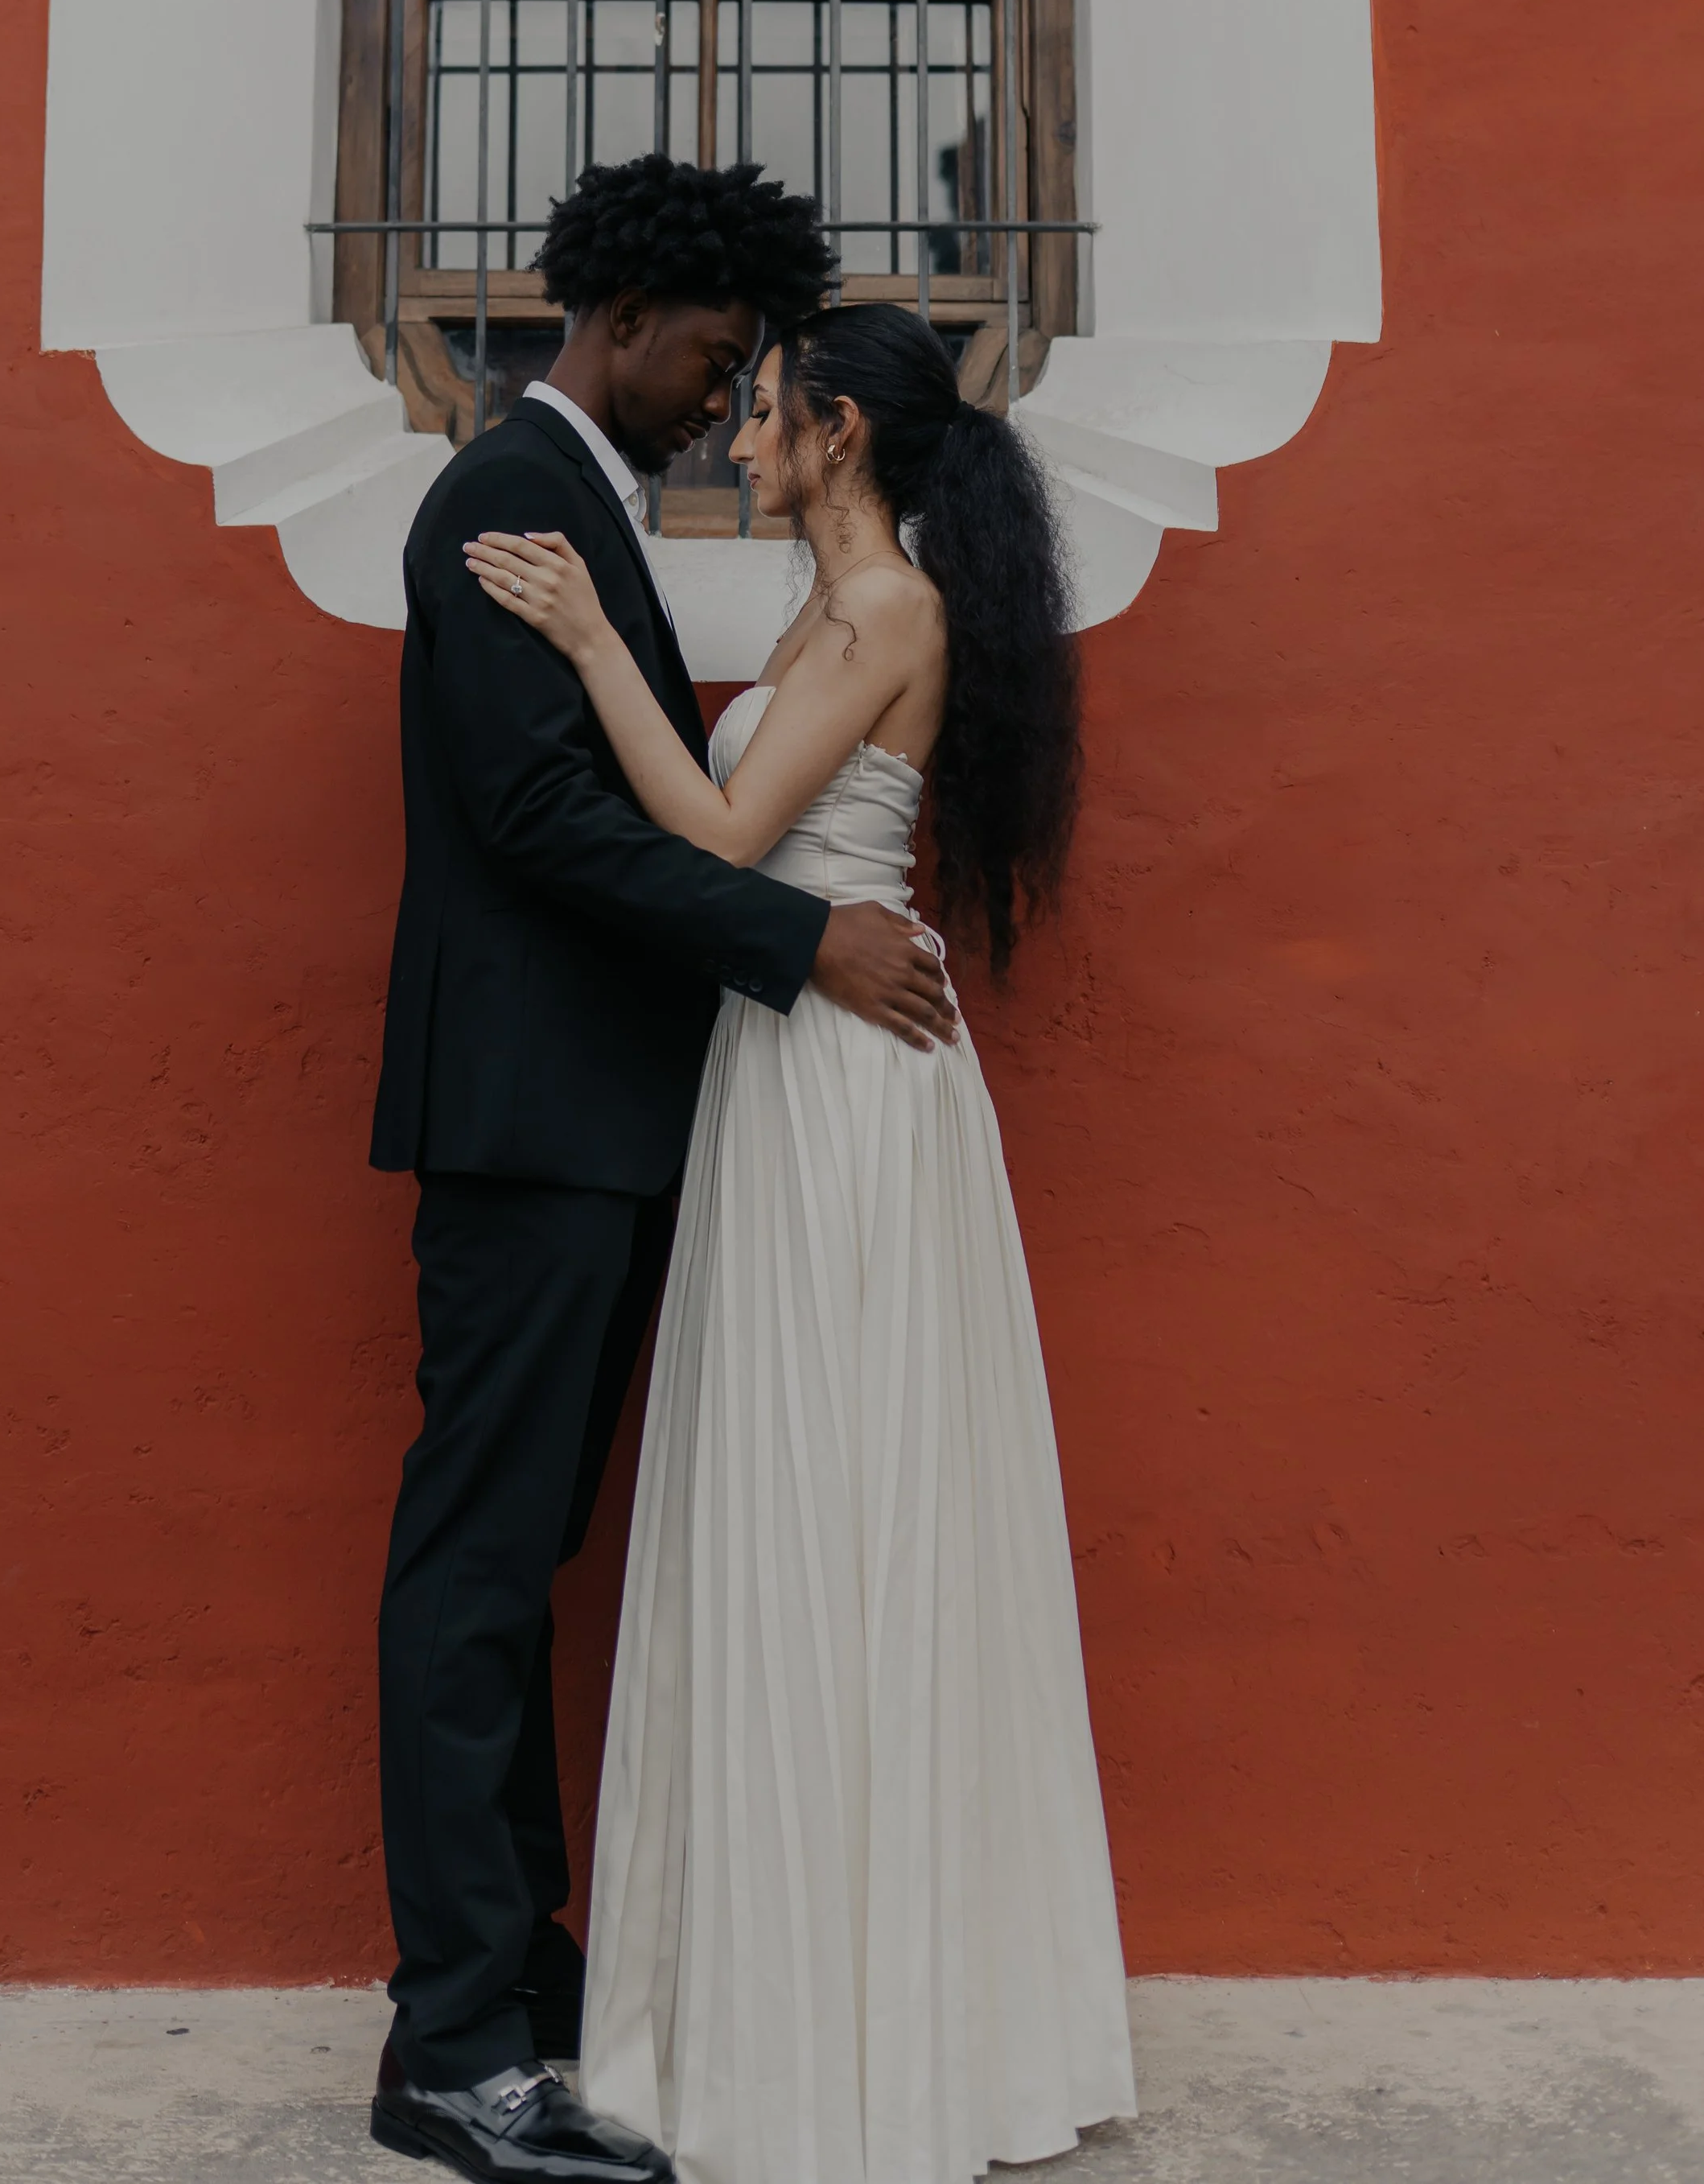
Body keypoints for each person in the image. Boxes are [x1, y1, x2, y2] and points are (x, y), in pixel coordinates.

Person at [463, 303, 1138, 2184]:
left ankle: (864, 2037)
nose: (733, 439)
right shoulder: (826, 614)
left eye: (762, 414)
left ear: (838, 432)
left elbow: (715, 824)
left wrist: (592, 636)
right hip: (785, 1075)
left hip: (843, 1102)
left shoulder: (886, 613)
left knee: (847, 1505)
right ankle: (798, 1999)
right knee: (797, 1503)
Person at [368, 165, 957, 2184]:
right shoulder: (493, 504)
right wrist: (799, 947)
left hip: (603, 1126)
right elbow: (532, 814)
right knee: (472, 1571)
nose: (725, 398)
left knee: (516, 1565)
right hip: (530, 1125)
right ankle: (451, 2049)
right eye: (715, 353)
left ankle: (514, 1982)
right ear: (624, 312)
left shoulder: (582, 502)